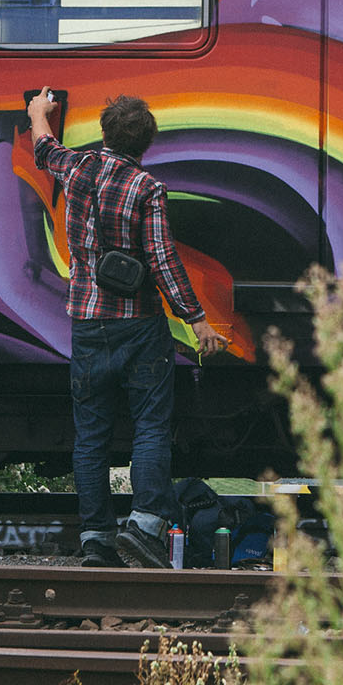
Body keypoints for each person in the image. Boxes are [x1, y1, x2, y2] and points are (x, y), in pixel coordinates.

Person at [29, 87, 227, 568]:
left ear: (104, 132)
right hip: (138, 327)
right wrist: (196, 320)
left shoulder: (76, 168)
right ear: (146, 144)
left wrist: (39, 112)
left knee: (91, 434)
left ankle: (95, 538)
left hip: (87, 323)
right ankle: (143, 526)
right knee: (150, 428)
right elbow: (161, 259)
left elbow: (43, 149)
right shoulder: (147, 188)